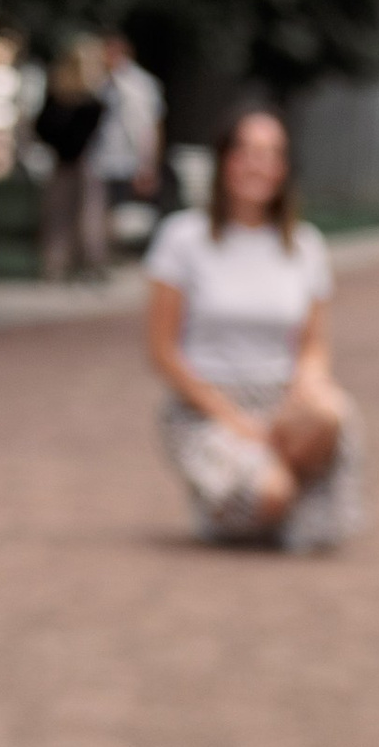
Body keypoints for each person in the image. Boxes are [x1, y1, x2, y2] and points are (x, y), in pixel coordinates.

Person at [142, 102, 361, 551]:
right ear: (225, 160)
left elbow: (313, 346)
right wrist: (234, 419)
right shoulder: (183, 239)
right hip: (207, 402)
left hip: (279, 397)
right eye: (247, 152)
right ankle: (257, 497)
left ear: (284, 168)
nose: (259, 166)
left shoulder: (304, 246)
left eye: (271, 154)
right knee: (272, 495)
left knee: (332, 412)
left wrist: (306, 389)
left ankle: (268, 487)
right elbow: (163, 351)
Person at [33, 39, 110, 283]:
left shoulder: (89, 101)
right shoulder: (63, 99)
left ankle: (79, 265)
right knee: (70, 215)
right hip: (70, 162)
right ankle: (65, 265)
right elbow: (43, 128)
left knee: (81, 216)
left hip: (77, 162)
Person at [91, 32, 165, 233]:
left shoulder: (142, 84)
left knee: (121, 218)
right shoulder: (97, 81)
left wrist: (148, 164)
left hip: (129, 160)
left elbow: (149, 127)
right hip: (98, 159)